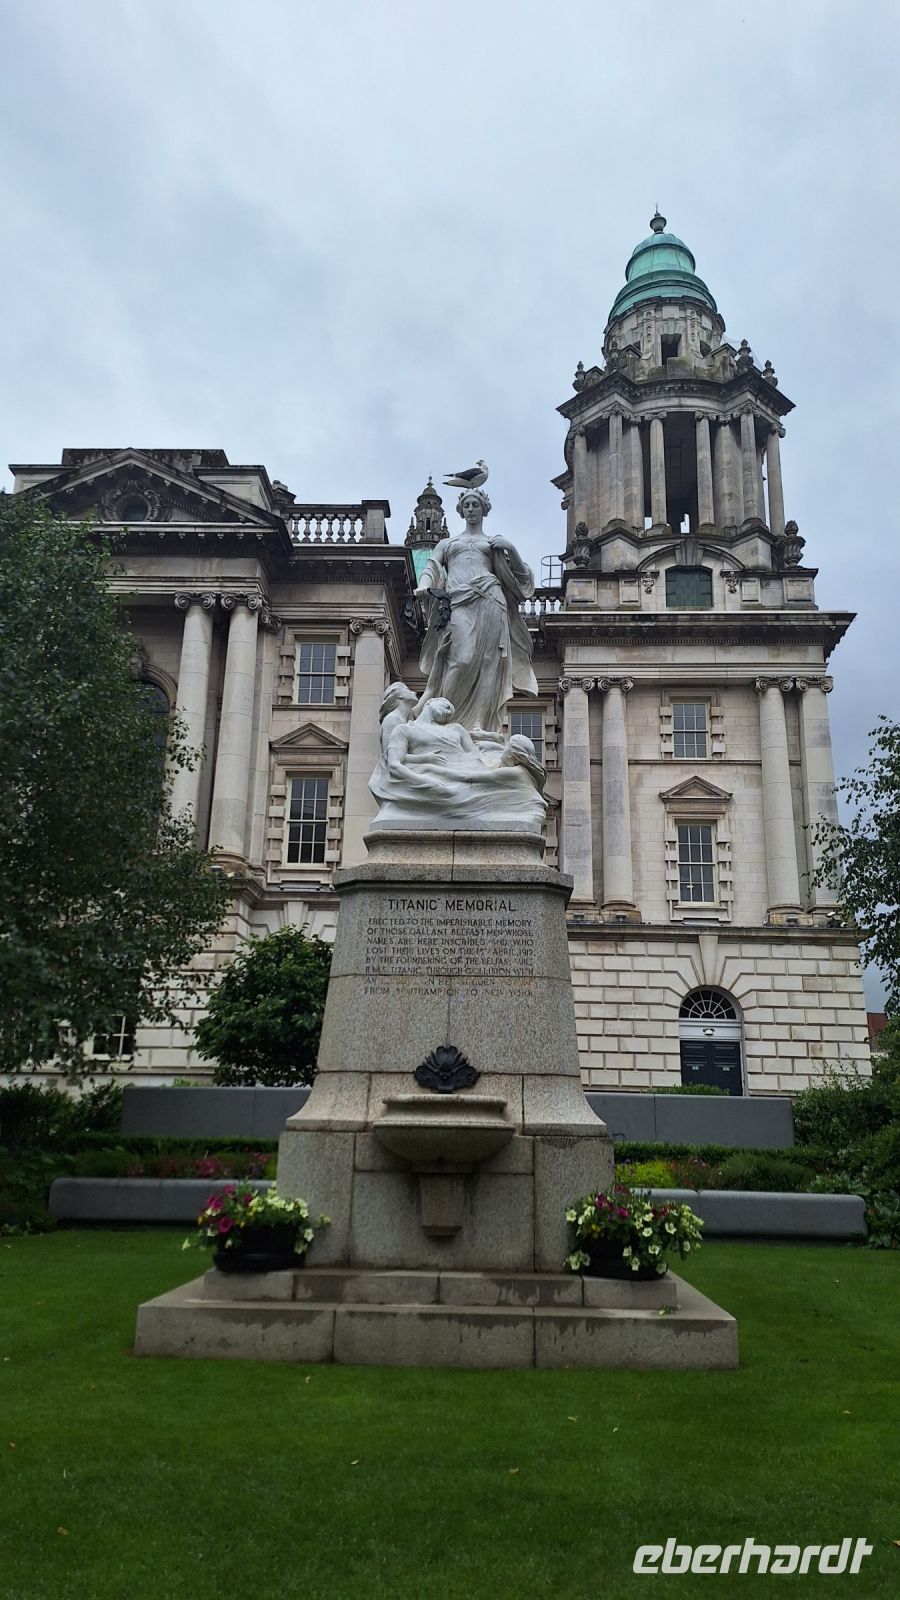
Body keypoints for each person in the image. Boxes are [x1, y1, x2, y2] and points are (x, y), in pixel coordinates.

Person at [413, 488, 538, 735]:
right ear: (461, 510)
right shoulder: (448, 543)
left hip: (491, 600)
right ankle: (441, 719)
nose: (471, 509)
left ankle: (479, 723)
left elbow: (523, 578)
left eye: (475, 505)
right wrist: (425, 585)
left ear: (484, 509)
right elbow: (433, 565)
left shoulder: (492, 543)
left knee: (488, 664)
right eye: (467, 505)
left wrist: (511, 549)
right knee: (461, 659)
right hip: (458, 601)